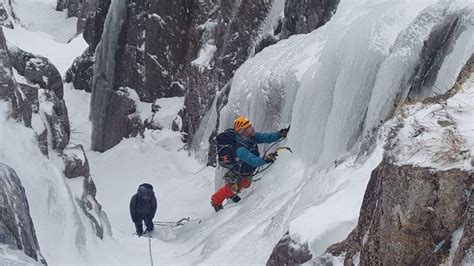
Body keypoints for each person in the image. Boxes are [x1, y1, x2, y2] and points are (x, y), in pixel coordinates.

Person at [210, 116, 289, 212]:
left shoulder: (252, 137)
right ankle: (216, 200)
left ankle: (232, 191)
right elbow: (253, 161)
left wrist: (279, 134)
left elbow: (266, 137)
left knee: (246, 184)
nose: (252, 128)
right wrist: (265, 159)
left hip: (247, 170)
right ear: (243, 131)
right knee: (237, 186)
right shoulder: (239, 149)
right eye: (249, 127)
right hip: (240, 171)